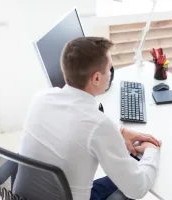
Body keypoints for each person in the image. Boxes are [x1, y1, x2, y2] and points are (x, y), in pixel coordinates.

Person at [14, 37, 161, 200]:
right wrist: (151, 151)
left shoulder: (40, 98)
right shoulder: (99, 125)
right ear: (96, 78)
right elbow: (137, 189)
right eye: (110, 68)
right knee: (137, 173)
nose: (111, 73)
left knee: (119, 177)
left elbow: (72, 128)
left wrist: (118, 133)